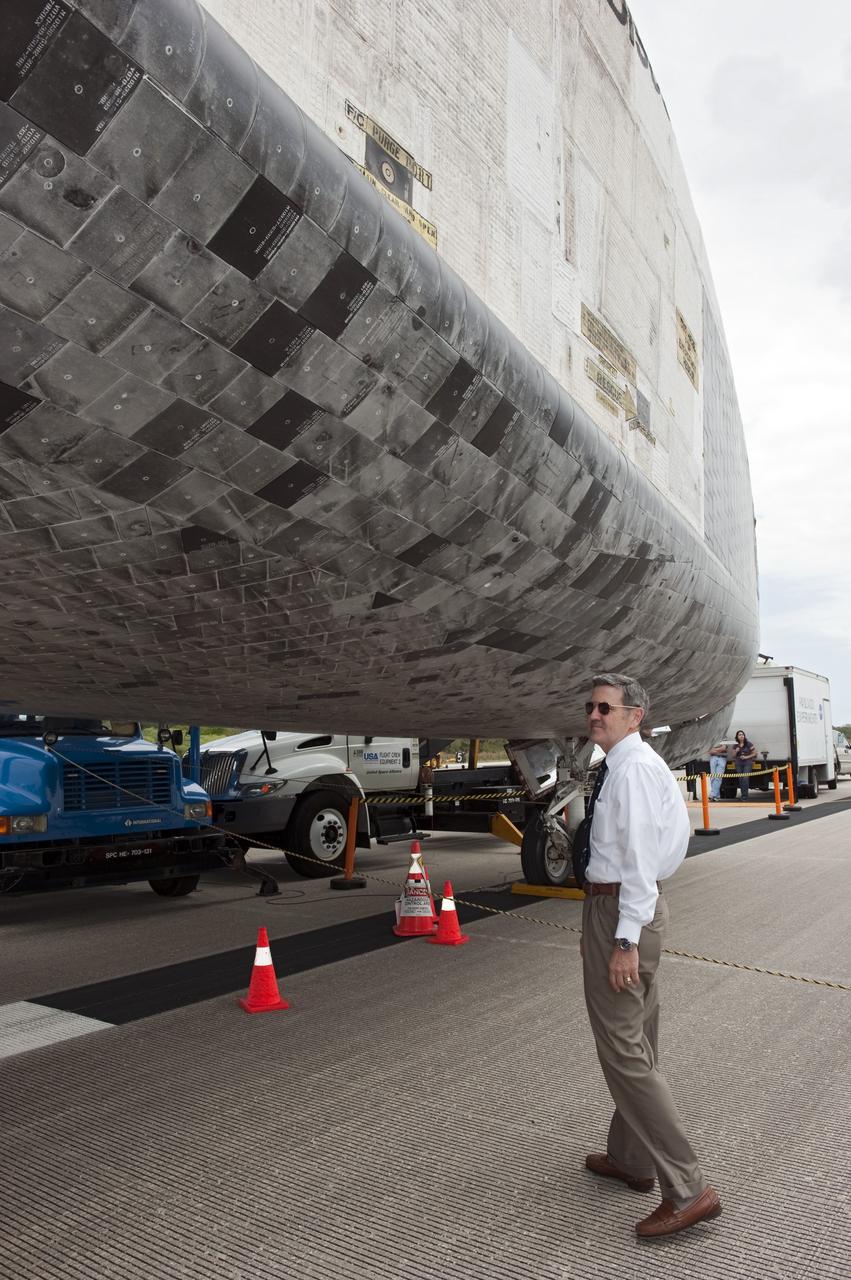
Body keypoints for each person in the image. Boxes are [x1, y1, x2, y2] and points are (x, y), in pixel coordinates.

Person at [578, 672, 721, 1238]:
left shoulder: (633, 770)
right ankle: (631, 1159)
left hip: (620, 913)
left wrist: (623, 940)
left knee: (623, 1050)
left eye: (606, 708)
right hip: (630, 909)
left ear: (635, 715)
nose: (594, 715)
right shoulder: (628, 765)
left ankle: (688, 1186)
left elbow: (638, 861)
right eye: (590, 706)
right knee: (639, 1039)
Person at [732, 729, 757, 800]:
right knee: (741, 779)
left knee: (745, 778)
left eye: (742, 734)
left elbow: (755, 753)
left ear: (744, 736)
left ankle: (745, 796)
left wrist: (746, 757)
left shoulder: (749, 744)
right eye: (739, 735)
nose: (741, 736)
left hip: (747, 763)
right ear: (737, 737)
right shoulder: (735, 745)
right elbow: (733, 755)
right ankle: (743, 795)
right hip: (738, 764)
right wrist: (736, 751)